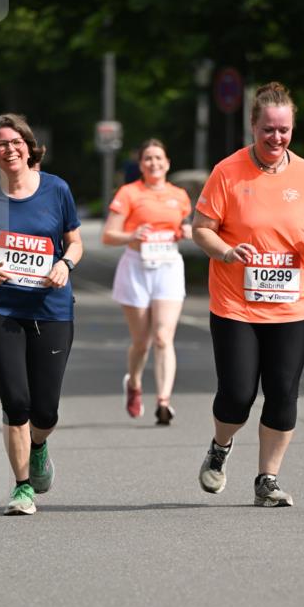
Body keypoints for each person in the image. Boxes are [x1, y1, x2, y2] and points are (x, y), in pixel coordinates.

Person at [192, 81, 304, 507]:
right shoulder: (227, 172)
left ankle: (267, 480)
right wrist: (227, 251)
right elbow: (201, 229)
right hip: (236, 303)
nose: (276, 137)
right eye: (268, 129)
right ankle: (220, 446)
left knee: (283, 393)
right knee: (237, 395)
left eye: (284, 130)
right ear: (253, 126)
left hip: (292, 304)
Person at [0, 113, 83, 515]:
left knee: (45, 410)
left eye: (16, 142)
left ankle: (38, 446)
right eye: (1, 145)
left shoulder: (56, 189)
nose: (10, 149)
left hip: (51, 308)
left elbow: (74, 243)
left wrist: (65, 265)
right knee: (16, 401)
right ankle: (22, 487)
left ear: (29, 147)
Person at [102, 139, 191, 425]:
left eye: (159, 158)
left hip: (168, 267)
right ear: (141, 165)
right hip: (136, 267)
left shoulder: (179, 195)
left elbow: (184, 225)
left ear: (168, 163)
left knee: (163, 337)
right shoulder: (129, 193)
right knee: (142, 342)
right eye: (148, 159)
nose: (154, 163)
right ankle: (134, 383)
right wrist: (132, 235)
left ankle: (163, 401)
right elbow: (108, 235)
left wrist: (185, 231)